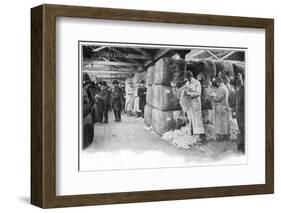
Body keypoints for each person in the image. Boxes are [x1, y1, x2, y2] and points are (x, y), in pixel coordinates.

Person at [176, 71, 205, 140]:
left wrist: (189, 93)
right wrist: (180, 90)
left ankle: (200, 136)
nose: (187, 80)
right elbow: (184, 87)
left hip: (195, 104)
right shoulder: (187, 83)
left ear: (190, 77)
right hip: (189, 104)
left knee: (197, 120)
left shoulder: (197, 83)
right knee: (190, 119)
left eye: (187, 78)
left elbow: (198, 93)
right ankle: (192, 134)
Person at [213, 76, 230, 141]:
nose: (216, 84)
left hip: (221, 107)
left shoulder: (221, 88)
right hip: (225, 106)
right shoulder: (225, 87)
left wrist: (214, 99)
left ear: (218, 82)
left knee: (220, 122)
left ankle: (221, 137)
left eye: (217, 83)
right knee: (225, 122)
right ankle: (225, 136)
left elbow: (219, 98)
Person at [235, 74, 245, 153]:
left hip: (241, 113)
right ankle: (241, 146)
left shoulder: (242, 89)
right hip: (240, 112)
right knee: (242, 129)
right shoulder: (241, 89)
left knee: (242, 129)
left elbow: (239, 102)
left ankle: (242, 146)